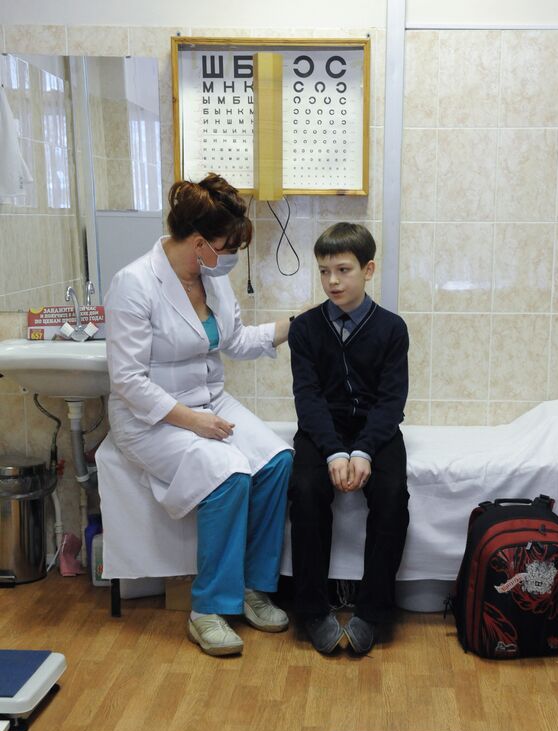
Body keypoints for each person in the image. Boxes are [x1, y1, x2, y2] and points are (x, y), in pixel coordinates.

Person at [105, 173, 293, 658]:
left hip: (209, 399)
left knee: (277, 461)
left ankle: (253, 586)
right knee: (229, 472)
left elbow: (234, 341)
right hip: (152, 417)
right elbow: (127, 382)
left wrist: (294, 326)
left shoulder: (211, 278)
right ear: (199, 242)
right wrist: (194, 422)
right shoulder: (134, 284)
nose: (231, 255)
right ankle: (207, 608)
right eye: (227, 246)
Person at [288, 222, 410, 655]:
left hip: (375, 431)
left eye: (343, 270)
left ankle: (373, 611)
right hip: (323, 431)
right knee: (304, 490)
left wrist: (363, 450)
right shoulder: (304, 329)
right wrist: (334, 450)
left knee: (393, 495)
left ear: (369, 269)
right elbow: (309, 398)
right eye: (324, 272)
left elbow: (392, 401)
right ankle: (312, 609)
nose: (332, 281)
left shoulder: (392, 329)